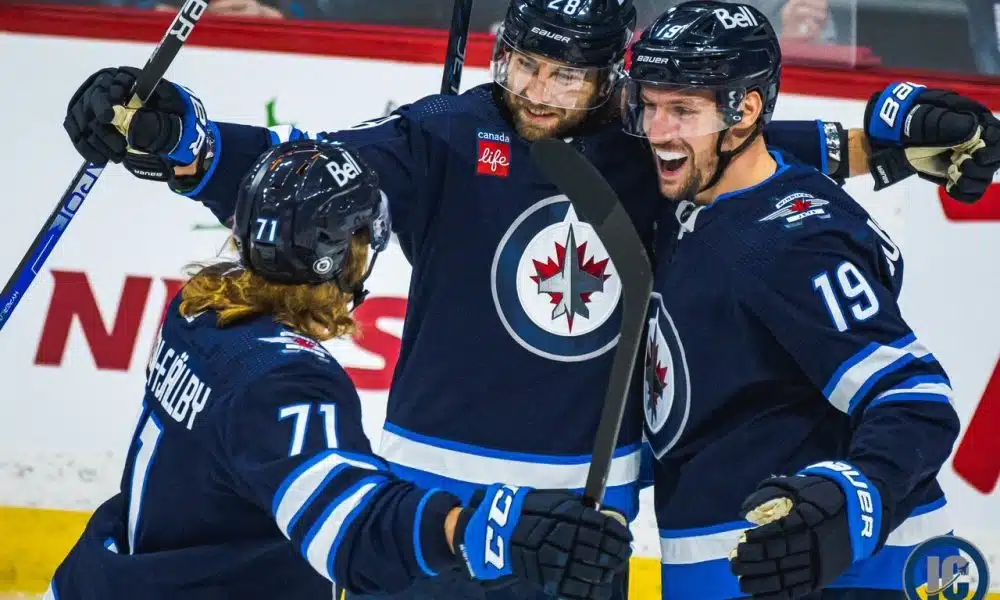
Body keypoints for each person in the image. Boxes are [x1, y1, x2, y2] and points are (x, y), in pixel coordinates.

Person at [60, 2, 998, 599]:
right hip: (433, 508)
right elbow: (319, 178)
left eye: (566, 75)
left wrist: (908, 137)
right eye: (523, 64)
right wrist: (181, 144)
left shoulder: (649, 144)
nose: (537, 92)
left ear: (611, 78)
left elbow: (763, 144)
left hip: (585, 529)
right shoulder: (445, 134)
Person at [43, 139, 633, 600]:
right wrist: (478, 528)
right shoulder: (285, 381)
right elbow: (348, 528)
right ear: (340, 257)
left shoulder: (197, 310)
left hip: (99, 579)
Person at [623, 2, 963, 598]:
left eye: (682, 110)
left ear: (746, 110)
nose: (657, 130)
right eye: (649, 105)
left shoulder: (795, 241)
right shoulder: (695, 197)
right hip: (722, 569)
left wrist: (852, 500)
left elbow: (916, 400)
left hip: (843, 577)